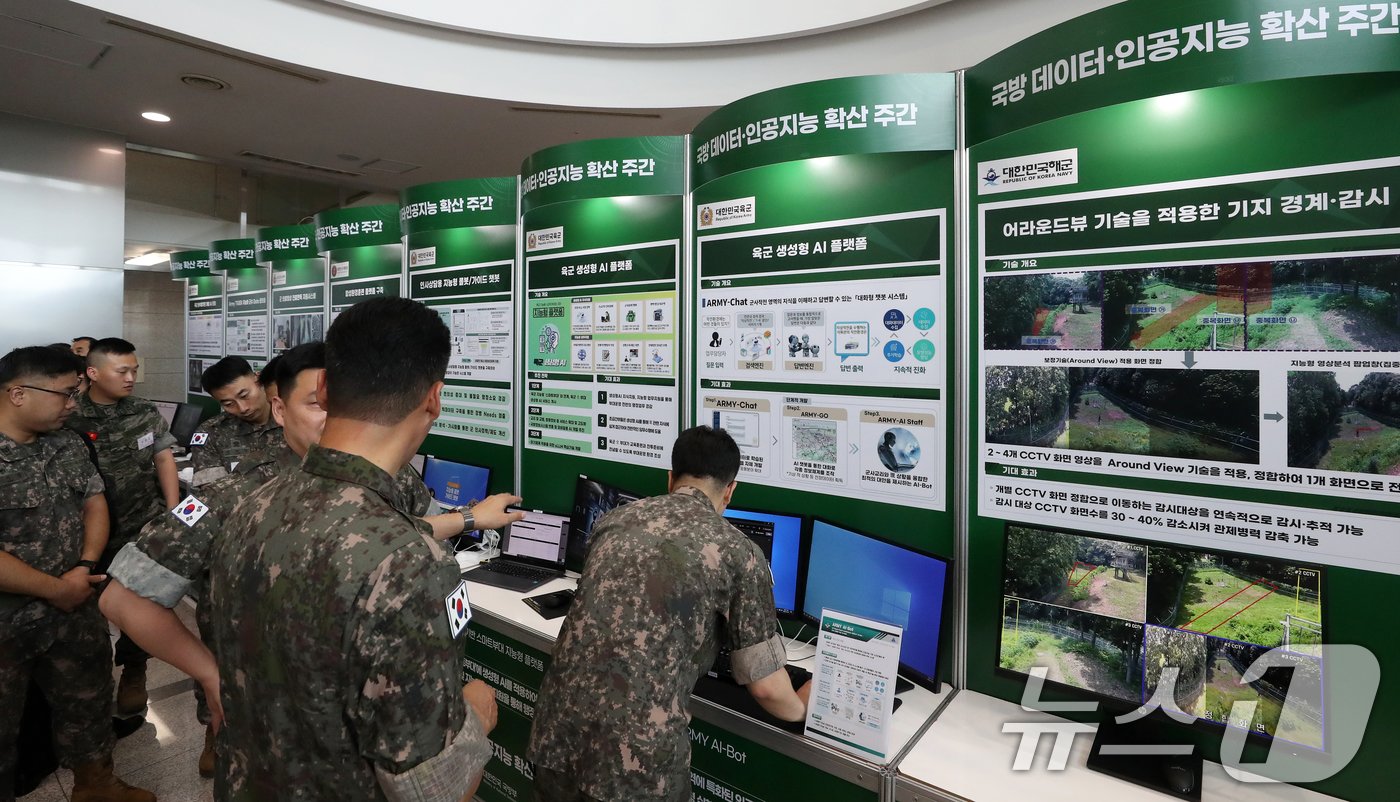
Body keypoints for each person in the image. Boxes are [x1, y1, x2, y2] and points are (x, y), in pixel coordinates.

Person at [100, 341, 506, 778]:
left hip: (359, 722)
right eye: (317, 404)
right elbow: (124, 598)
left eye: (347, 405)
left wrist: (467, 519)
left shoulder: (394, 479)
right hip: (257, 714)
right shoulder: (235, 493)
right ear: (280, 410)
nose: (336, 420)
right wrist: (211, 676)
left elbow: (415, 529)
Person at [209, 298, 518, 800]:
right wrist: (476, 722)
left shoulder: (253, 503)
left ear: (326, 388)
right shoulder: (408, 561)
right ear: (434, 398)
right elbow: (430, 790)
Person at [528, 426, 811, 802]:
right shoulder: (738, 552)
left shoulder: (612, 521)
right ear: (730, 490)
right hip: (635, 767)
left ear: (671, 478)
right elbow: (766, 687)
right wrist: (802, 708)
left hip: (554, 738)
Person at [0, 346, 155, 802]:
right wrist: (57, 588)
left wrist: (84, 567)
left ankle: (96, 784)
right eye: (66, 394)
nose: (73, 404)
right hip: (9, 619)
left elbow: (94, 502)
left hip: (74, 605)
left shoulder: (66, 442)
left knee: (87, 700)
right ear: (18, 394)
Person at [66, 337, 180, 718]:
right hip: (87, 533)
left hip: (140, 525)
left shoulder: (144, 411)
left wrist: (172, 509)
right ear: (93, 373)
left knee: (139, 601)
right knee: (90, 608)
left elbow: (163, 459)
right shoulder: (71, 415)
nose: (132, 378)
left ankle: (135, 669)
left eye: (135, 370)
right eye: (123, 371)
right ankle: (96, 679)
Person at [189, 357, 280, 487]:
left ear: (258, 380)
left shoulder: (291, 418)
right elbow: (212, 494)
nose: (243, 408)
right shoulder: (211, 433)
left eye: (244, 396)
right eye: (229, 404)